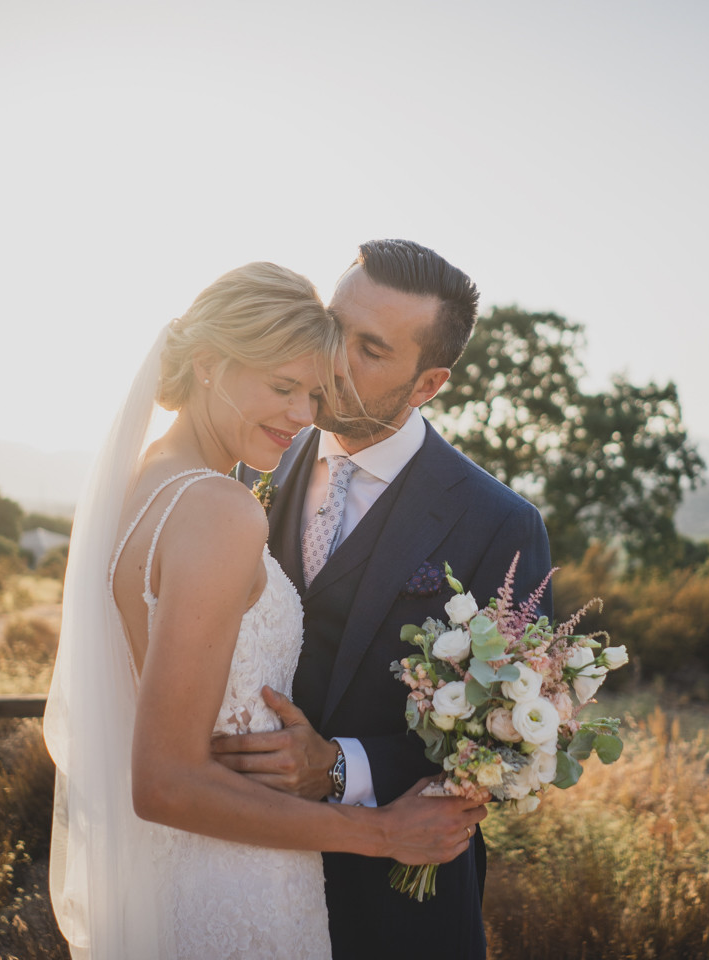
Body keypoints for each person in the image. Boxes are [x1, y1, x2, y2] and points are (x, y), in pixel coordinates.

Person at [42, 261, 487, 960]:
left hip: (175, 882)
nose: (307, 413)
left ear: (430, 383)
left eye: (312, 390)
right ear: (211, 365)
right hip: (237, 887)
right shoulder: (223, 506)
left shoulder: (140, 484)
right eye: (285, 387)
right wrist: (380, 832)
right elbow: (166, 780)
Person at [215, 240, 554, 960]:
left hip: (401, 906)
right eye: (333, 325)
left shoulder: (502, 525)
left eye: (369, 349)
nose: (333, 359)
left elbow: (507, 752)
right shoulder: (252, 457)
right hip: (241, 875)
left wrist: (339, 768)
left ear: (428, 384)